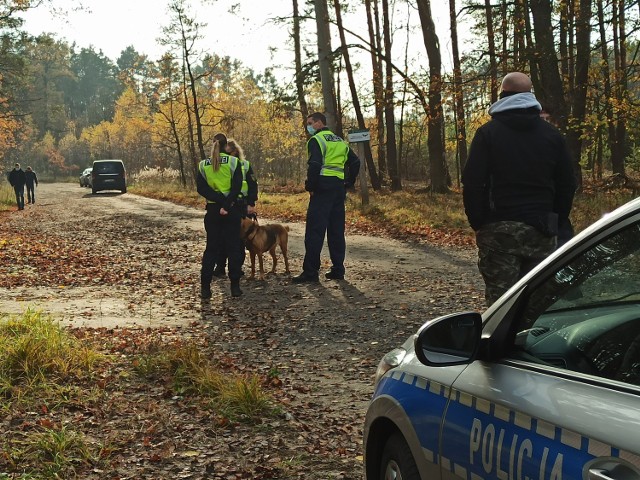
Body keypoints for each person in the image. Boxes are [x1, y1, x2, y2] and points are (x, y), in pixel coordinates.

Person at [462, 72, 576, 306]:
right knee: (539, 303)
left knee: (501, 306)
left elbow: (473, 183)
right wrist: (557, 219)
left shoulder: (488, 134)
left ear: (502, 96)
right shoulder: (552, 135)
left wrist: (480, 223)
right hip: (542, 230)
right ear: (530, 95)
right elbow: (567, 183)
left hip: (499, 231)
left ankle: (500, 342)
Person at [292, 112, 361, 283]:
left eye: (310, 123)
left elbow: (315, 164)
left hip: (322, 188)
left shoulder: (317, 140)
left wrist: (311, 186)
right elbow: (355, 162)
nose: (308, 127)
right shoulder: (340, 141)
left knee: (315, 231)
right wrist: (349, 182)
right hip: (338, 188)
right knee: (336, 231)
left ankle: (310, 272)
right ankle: (338, 269)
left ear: (319, 123)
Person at [197, 133, 245, 298]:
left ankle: (205, 289)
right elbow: (237, 186)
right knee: (233, 249)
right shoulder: (233, 162)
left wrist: (218, 202)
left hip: (212, 211)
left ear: (212, 145)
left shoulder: (203, 165)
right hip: (231, 210)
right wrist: (226, 204)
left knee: (211, 249)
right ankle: (235, 287)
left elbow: (201, 189)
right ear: (226, 146)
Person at [212, 138, 258, 277]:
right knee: (221, 238)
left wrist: (251, 203)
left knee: (240, 239)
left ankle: (237, 268)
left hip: (241, 204)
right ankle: (220, 267)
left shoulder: (244, 164)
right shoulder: (217, 163)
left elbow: (252, 184)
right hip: (224, 204)